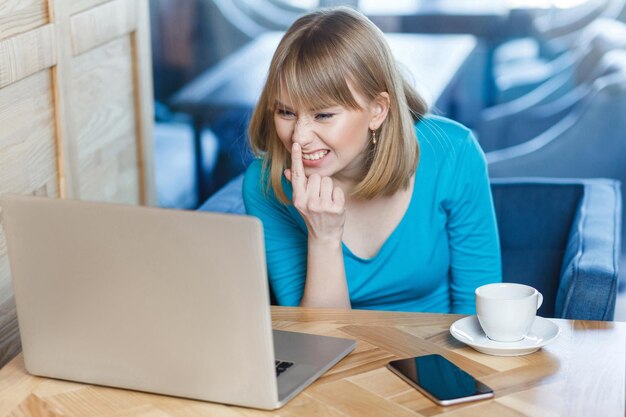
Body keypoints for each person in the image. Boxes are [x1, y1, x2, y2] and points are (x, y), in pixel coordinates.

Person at [243, 7, 501, 314]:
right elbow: (321, 343)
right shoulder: (265, 184)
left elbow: (478, 316)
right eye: (285, 112)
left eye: (323, 115)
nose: (299, 137)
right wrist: (324, 237)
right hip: (344, 358)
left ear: (378, 110)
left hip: (441, 354)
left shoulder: (453, 154)